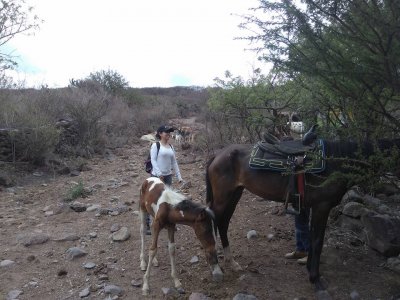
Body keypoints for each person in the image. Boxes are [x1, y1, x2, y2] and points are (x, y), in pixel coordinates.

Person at [146, 125, 183, 234]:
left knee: (168, 200)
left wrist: (179, 176)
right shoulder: (155, 145)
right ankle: (147, 224)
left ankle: (169, 222)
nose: (169, 133)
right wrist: (159, 174)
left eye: (169, 132)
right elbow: (153, 160)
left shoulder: (171, 147)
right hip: (156, 177)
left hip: (168, 176)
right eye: (166, 132)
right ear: (160, 133)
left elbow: (174, 162)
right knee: (152, 199)